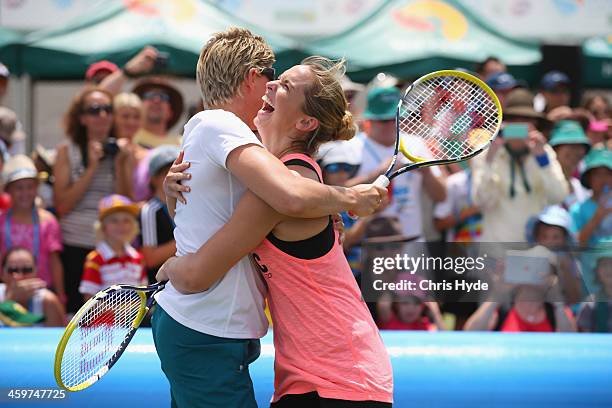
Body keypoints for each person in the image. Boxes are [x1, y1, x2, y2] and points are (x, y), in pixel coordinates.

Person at [150, 28, 386, 408]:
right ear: (249, 78)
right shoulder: (236, 141)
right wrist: (350, 198)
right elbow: (289, 198)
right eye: (270, 73)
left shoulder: (277, 171)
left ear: (306, 123)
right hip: (305, 368)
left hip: (335, 375)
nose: (271, 83)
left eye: (285, 84)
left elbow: (285, 197)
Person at [53, 87, 131, 313]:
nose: (103, 116)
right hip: (76, 244)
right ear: (82, 118)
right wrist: (92, 167)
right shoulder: (67, 151)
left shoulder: (121, 149)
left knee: (114, 316)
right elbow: (63, 205)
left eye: (108, 109)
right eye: (95, 110)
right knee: (78, 316)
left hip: (112, 246)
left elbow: (125, 203)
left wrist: (120, 163)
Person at [345, 86, 446, 241]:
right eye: (383, 120)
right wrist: (378, 171)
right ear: (369, 120)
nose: (390, 125)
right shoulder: (352, 147)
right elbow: (339, 192)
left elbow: (441, 196)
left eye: (395, 119)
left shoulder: (416, 144)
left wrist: (426, 172)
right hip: (373, 243)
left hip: (413, 240)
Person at [471, 88, 569, 242]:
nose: (519, 125)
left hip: (534, 251)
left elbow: (557, 197)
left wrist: (542, 160)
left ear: (535, 123)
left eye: (525, 119)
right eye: (513, 119)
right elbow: (482, 201)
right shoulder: (485, 153)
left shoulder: (544, 151)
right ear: (503, 123)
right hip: (495, 252)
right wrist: (490, 160)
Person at [1, 155, 65, 301]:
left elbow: (54, 260)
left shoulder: (48, 221)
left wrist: (60, 295)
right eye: (19, 188)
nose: (25, 193)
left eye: (30, 187)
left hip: (42, 291)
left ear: (37, 188)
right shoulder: (2, 221)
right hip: (9, 292)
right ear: (8, 190)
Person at [463, 250, 576, 333]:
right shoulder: (503, 310)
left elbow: (571, 342)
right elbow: (470, 333)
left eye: (542, 268)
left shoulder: (557, 311)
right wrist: (496, 296)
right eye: (530, 267)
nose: (534, 273)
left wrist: (558, 303)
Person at [79, 195, 145, 301]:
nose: (121, 225)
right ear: (103, 227)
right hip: (105, 316)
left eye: (126, 220)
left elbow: (143, 293)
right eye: (114, 221)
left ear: (133, 225)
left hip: (135, 316)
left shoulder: (138, 258)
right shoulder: (96, 259)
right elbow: (89, 298)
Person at [139, 145, 178, 283]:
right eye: (166, 172)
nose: (174, 177)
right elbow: (150, 258)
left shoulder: (187, 205)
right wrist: (187, 239)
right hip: (161, 288)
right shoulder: (150, 210)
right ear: (153, 179)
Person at [0, 247, 65, 327]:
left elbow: (57, 337)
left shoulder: (48, 301)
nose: (20, 276)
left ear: (36, 272)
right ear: (2, 274)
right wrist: (9, 301)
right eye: (12, 270)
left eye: (27, 270)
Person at [570, 148, 612, 247]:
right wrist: (597, 217)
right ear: (588, 178)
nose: (603, 179)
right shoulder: (578, 210)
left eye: (608, 174)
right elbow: (576, 244)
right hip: (591, 261)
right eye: (598, 174)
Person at [113, 92, 150, 201]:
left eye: (136, 117)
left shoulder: (148, 153)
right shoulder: (105, 150)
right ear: (114, 118)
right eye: (125, 116)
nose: (131, 122)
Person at [548, 120, 592, 208]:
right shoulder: (544, 183)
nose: (576, 152)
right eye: (571, 146)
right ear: (555, 150)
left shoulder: (581, 189)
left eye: (580, 146)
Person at [131, 77, 183, 149]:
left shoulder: (182, 144)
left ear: (170, 112)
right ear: (138, 106)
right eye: (149, 95)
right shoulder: (127, 137)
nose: (156, 100)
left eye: (163, 97)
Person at [577, 245, 612, 332]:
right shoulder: (590, 304)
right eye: (604, 264)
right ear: (597, 272)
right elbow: (587, 340)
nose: (609, 269)